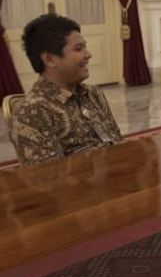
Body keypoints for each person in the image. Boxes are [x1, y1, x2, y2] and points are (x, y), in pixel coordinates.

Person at [9, 14, 122, 165]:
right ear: (50, 59)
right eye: (78, 49)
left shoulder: (93, 93)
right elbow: (48, 178)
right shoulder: (32, 111)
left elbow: (117, 142)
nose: (88, 54)